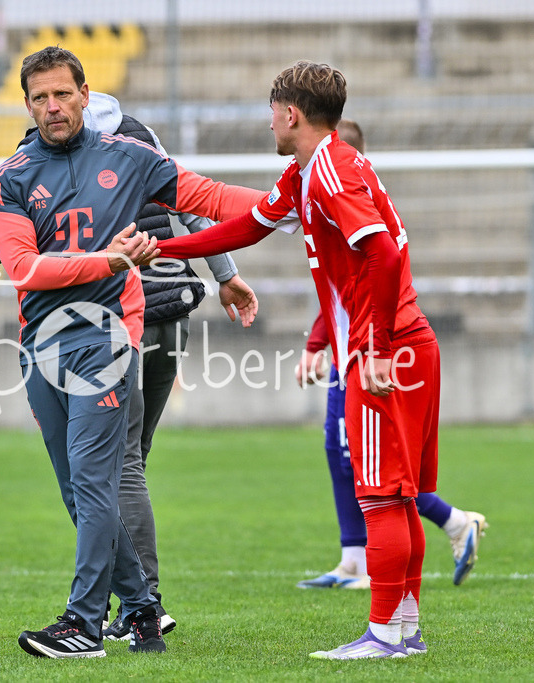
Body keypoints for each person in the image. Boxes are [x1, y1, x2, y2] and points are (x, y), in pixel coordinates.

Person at [0, 91, 259, 640]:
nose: (54, 108)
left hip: (110, 320)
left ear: (83, 99)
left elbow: (198, 197)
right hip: (162, 308)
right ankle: (140, 605)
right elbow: (191, 209)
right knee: (112, 469)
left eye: (63, 96)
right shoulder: (131, 140)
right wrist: (224, 273)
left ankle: (105, 614)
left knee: (110, 471)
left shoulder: (98, 153)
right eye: (44, 98)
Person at [152, 61, 445, 659]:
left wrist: (375, 347)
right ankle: (404, 629)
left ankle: (386, 635)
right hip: (408, 346)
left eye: (271, 113)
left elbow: (384, 256)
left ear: (290, 113)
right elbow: (242, 228)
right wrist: (160, 247)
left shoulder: (332, 171)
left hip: (386, 351)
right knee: (400, 493)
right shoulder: (311, 170)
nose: (268, 125)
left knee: (381, 495)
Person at [294, 119, 487, 591]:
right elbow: (338, 293)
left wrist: (343, 346)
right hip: (353, 347)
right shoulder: (323, 187)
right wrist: (319, 344)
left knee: (376, 470)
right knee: (342, 455)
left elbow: (365, 280)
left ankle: (453, 524)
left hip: (374, 348)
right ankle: (353, 559)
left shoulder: (343, 190)